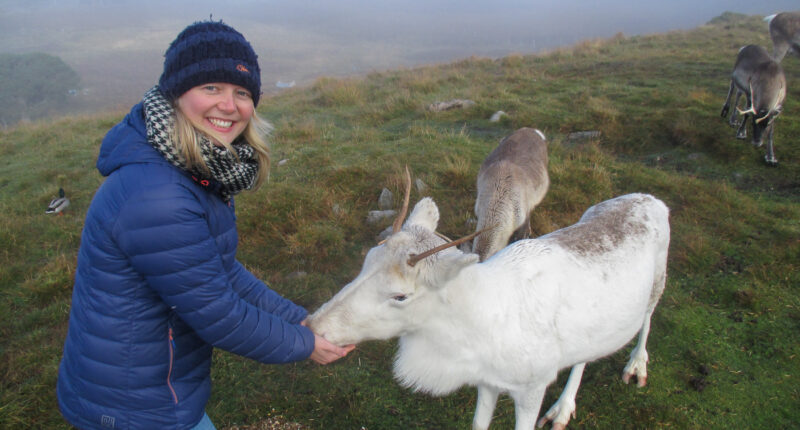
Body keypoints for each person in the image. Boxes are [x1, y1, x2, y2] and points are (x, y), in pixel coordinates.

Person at [56, 20, 354, 430]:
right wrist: (305, 344)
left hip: (150, 387)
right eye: (211, 88)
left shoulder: (189, 167)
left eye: (242, 92)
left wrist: (296, 318)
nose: (229, 106)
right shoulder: (159, 192)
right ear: (176, 93)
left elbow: (217, 268)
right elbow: (218, 312)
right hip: (132, 407)